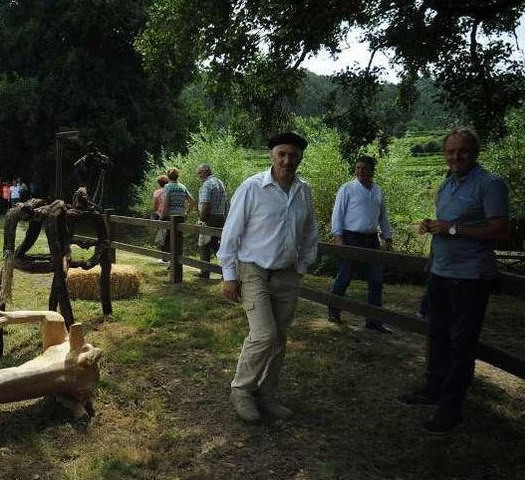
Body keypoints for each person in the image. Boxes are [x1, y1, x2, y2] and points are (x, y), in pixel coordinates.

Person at [398, 128, 509, 434]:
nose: (456, 156)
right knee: (437, 336)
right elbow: (446, 226)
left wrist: (452, 229)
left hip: (470, 277)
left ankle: (451, 408)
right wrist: (433, 227)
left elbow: (500, 230)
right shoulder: (447, 184)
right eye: (450, 151)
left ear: (475, 152)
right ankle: (432, 390)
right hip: (442, 273)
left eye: (463, 151)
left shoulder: (490, 184)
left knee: (462, 345)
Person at [218, 132, 318, 423]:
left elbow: (311, 232)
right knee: (264, 335)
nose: (287, 160)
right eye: (282, 154)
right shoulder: (252, 187)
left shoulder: (304, 191)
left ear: (300, 157)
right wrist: (229, 275)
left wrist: (302, 266)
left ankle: (267, 394)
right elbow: (231, 233)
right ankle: (242, 390)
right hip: (253, 271)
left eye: (293, 155)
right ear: (272, 155)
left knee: (279, 338)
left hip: (288, 273)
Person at [327, 155, 394, 333]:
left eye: (364, 168)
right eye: (357, 168)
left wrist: (388, 238)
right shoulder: (347, 189)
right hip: (351, 238)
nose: (360, 171)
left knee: (376, 280)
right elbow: (337, 215)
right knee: (344, 277)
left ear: (372, 170)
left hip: (371, 239)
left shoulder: (378, 190)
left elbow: (383, 217)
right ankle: (333, 311)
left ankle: (374, 320)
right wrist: (339, 239)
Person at [196, 164, 228, 279]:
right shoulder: (219, 182)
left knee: (204, 244)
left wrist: (201, 219)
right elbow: (225, 202)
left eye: (200, 173)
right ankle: (226, 271)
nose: (199, 176)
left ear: (206, 172)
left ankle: (205, 272)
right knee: (216, 244)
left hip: (210, 217)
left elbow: (206, 204)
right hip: (220, 216)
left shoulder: (207, 184)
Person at [159, 167, 195, 258]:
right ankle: (177, 260)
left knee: (165, 239)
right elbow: (192, 201)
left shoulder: (168, 187)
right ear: (177, 176)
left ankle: (168, 259)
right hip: (180, 216)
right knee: (178, 239)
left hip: (170, 216)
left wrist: (162, 216)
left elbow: (166, 203)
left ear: (168, 177)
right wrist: (186, 213)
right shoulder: (182, 187)